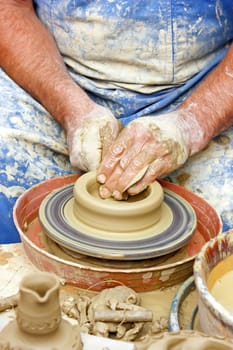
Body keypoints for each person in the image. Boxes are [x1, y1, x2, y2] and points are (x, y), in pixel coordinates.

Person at [0, 0, 233, 244]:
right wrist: (70, 108)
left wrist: (193, 123)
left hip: (207, 87)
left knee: (223, 222)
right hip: (55, 76)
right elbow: (10, 9)